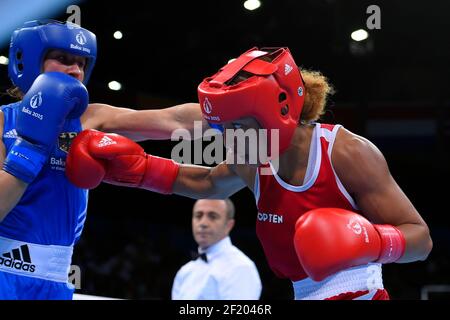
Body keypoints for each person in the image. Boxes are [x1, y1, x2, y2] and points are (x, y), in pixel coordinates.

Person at [66, 47, 433, 300]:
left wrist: (370, 240)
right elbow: (208, 182)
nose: (230, 139)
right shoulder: (254, 154)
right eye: (223, 128)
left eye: (238, 126)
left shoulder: (348, 152)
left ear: (280, 113)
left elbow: (420, 240)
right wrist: (139, 170)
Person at [0, 19, 204, 300]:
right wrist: (31, 147)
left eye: (82, 63)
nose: (76, 70)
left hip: (56, 283)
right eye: (63, 59)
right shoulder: (2, 122)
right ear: (32, 61)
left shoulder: (91, 118)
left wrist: (227, 111)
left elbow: (171, 119)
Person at [171, 198, 262, 300]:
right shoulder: (185, 271)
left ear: (229, 225)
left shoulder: (241, 267)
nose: (203, 223)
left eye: (213, 216)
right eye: (198, 215)